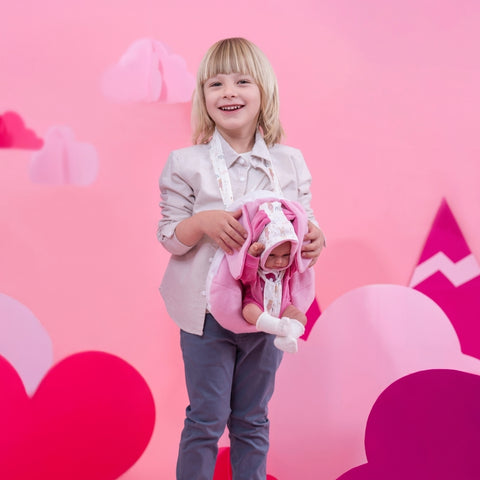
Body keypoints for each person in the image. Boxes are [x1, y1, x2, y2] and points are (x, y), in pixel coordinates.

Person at [157, 37, 325, 480]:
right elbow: (170, 237)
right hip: (206, 315)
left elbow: (306, 222)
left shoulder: (290, 162)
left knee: (252, 417)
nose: (228, 92)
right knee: (206, 418)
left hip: (266, 312)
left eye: (242, 81)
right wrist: (202, 222)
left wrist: (315, 239)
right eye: (216, 83)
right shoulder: (185, 163)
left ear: (264, 91)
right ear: (203, 96)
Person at [240, 199, 309, 354]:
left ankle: (288, 337)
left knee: (301, 318)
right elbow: (245, 276)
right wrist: (252, 256)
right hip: (257, 303)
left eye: (285, 255)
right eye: (272, 256)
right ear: (264, 253)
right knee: (248, 311)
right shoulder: (258, 269)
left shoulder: (287, 269)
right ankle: (275, 326)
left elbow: (300, 260)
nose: (279, 261)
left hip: (283, 307)